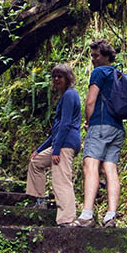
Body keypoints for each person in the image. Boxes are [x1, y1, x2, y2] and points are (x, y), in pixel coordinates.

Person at [73, 39, 124, 227]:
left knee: (90, 165)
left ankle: (87, 214)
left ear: (106, 56)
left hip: (100, 125)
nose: (93, 59)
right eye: (92, 55)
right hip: (117, 129)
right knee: (110, 169)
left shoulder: (99, 72)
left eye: (96, 55)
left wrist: (89, 121)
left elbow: (90, 101)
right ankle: (111, 215)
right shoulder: (119, 74)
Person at [23, 64, 81, 226]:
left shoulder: (70, 95)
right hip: (59, 142)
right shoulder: (65, 96)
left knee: (61, 180)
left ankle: (67, 219)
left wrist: (56, 149)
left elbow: (66, 124)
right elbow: (55, 132)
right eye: (54, 76)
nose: (56, 79)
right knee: (36, 162)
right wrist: (39, 150)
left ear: (67, 78)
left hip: (66, 143)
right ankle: (40, 199)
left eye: (60, 76)